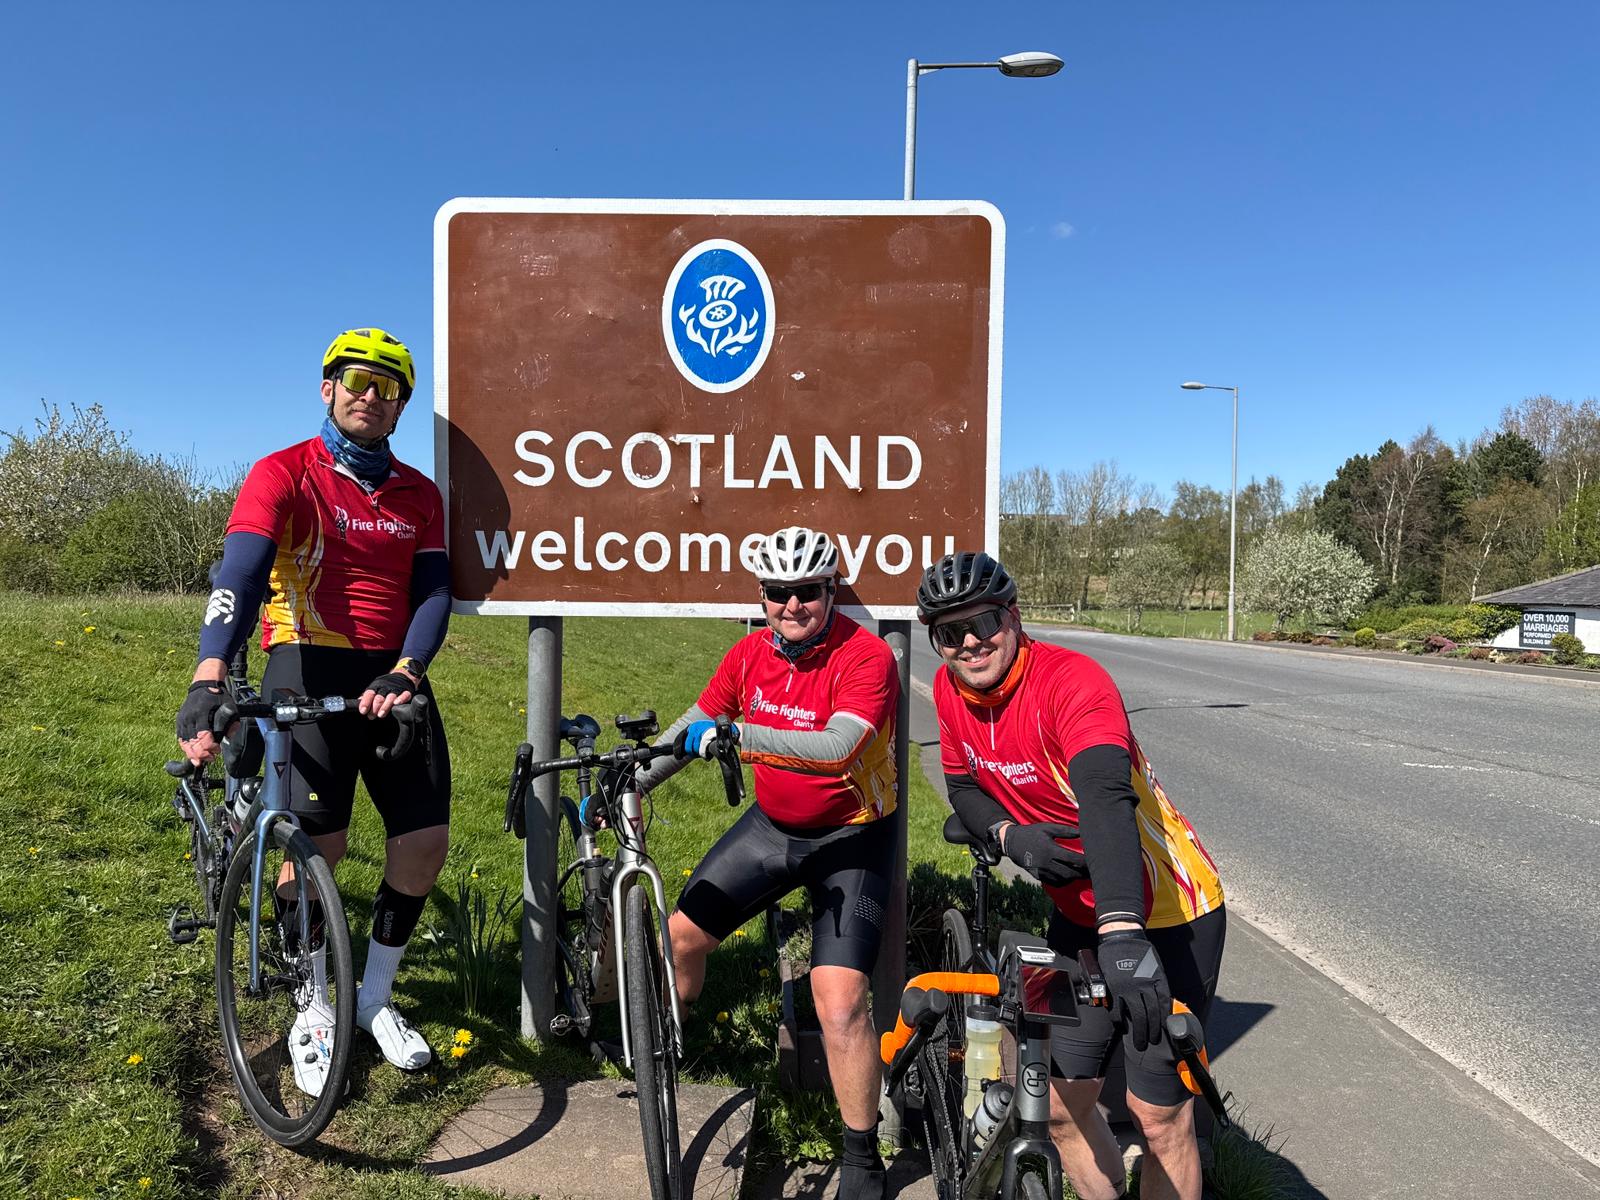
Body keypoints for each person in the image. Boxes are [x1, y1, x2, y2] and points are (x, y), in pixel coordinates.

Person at [175, 327, 452, 1097]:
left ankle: (373, 998)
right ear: (328, 388)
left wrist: (408, 668)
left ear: (400, 407)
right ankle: (313, 1004)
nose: (371, 395)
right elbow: (240, 571)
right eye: (357, 380)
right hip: (305, 660)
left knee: (424, 840)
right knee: (314, 851)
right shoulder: (285, 472)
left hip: (392, 676)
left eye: (389, 387)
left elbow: (433, 592)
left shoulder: (419, 494)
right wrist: (209, 671)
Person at [918, 552, 1225, 1200]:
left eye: (983, 622)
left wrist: (1121, 933)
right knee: (1059, 1103)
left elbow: (1106, 799)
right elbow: (962, 783)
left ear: (1014, 616)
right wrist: (1010, 837)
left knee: (1160, 1118)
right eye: (949, 632)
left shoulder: (1072, 682)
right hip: (1076, 916)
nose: (969, 641)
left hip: (1165, 913)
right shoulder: (951, 689)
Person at [636, 526, 900, 1200]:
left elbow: (840, 746)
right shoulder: (748, 653)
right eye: (778, 592)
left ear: (830, 590)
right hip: (772, 828)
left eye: (807, 591)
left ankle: (862, 1153)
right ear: (762, 595)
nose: (792, 604)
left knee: (839, 1003)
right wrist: (632, 784)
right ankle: (672, 1046)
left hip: (851, 837)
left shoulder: (866, 657)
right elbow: (695, 721)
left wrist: (738, 736)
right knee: (681, 936)